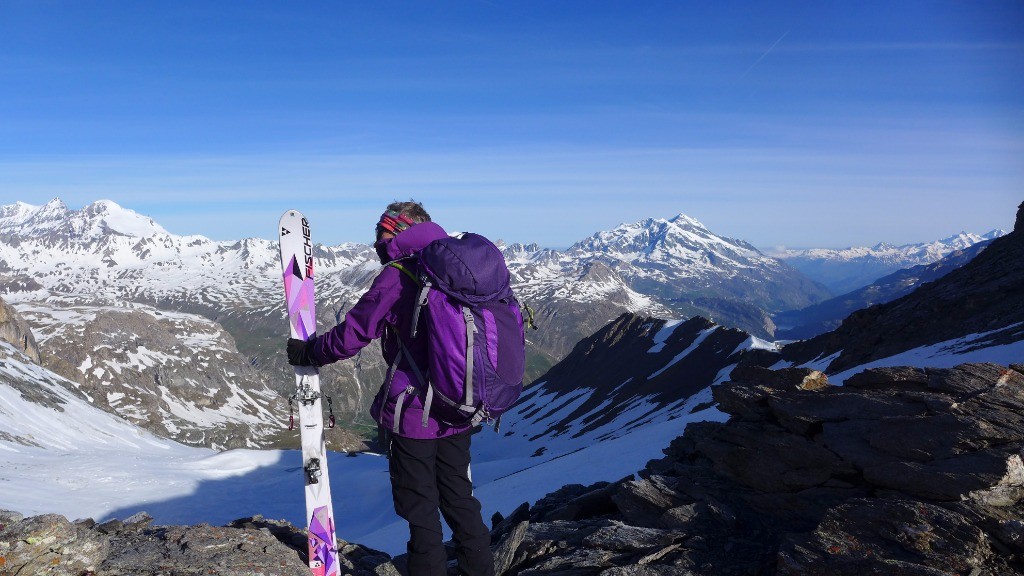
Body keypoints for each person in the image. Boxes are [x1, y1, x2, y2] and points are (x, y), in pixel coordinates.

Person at [287, 201, 495, 576]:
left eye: (381, 231)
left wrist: (309, 351)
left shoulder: (399, 275)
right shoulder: (458, 269)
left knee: (421, 511)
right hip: (460, 410)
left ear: (399, 230)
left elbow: (352, 335)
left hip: (413, 414)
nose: (375, 240)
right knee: (461, 500)